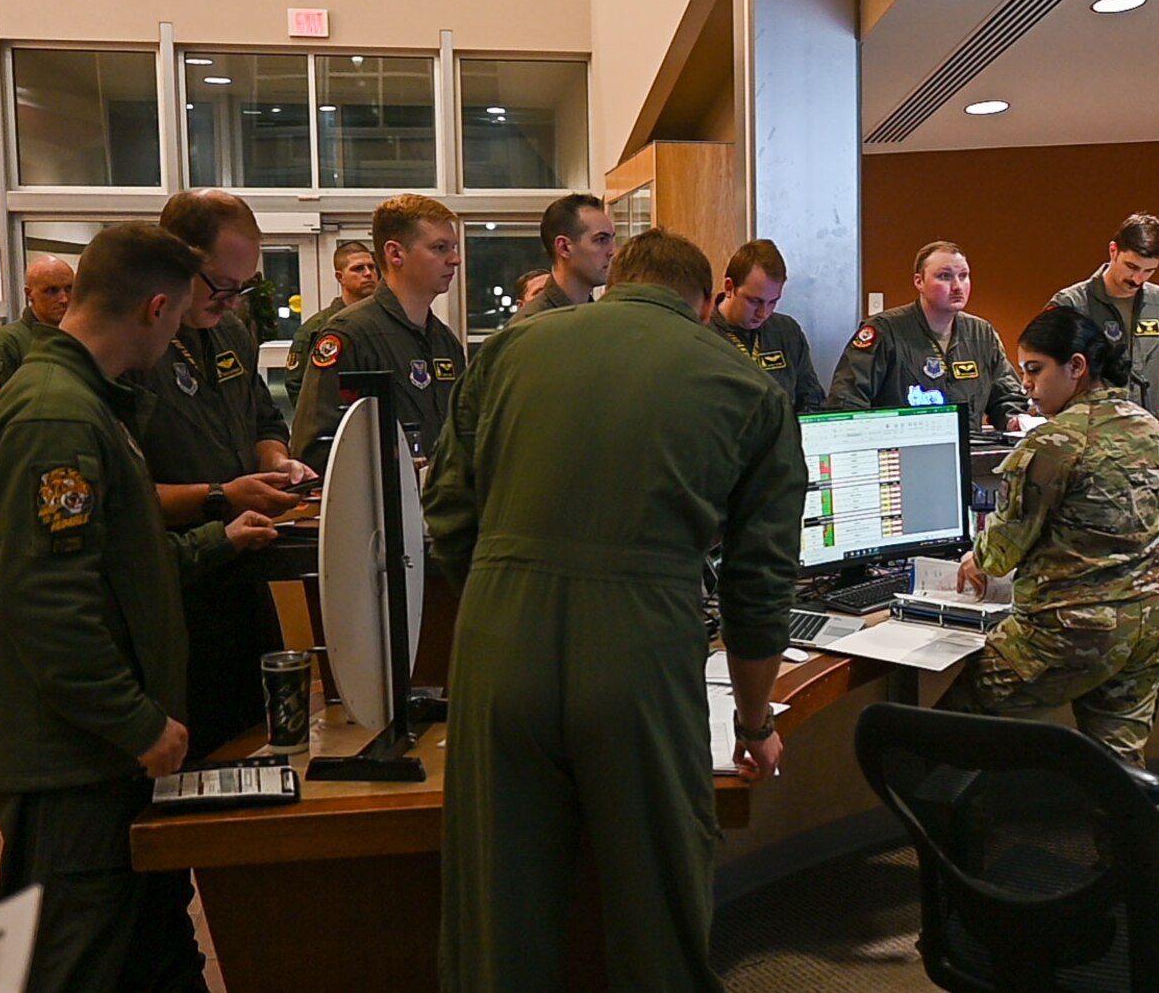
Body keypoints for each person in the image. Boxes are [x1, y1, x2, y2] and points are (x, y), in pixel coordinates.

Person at [424, 228, 802, 991]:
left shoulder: (506, 351)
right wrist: (755, 723)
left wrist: (509, 597)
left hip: (497, 644)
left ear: (615, 280)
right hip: (640, 649)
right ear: (702, 304)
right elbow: (760, 585)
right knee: (657, 911)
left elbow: (446, 509)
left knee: (495, 918)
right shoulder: (747, 386)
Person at [0, 222, 275, 992]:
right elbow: (47, 602)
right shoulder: (58, 415)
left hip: (100, 746)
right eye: (177, 321)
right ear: (157, 307)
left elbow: (123, 564)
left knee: (149, 941)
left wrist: (218, 542)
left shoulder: (91, 403)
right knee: (79, 953)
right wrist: (136, 720)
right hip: (73, 755)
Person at [942, 307, 1159, 767]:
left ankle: (965, 835)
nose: (1026, 384)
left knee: (948, 726)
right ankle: (1134, 840)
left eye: (1035, 370)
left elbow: (1004, 547)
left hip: (1071, 631)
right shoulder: (1146, 425)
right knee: (1118, 764)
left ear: (1076, 366)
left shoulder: (1052, 444)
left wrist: (978, 559)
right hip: (1148, 623)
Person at [129, 189, 316, 757]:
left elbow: (261, 414)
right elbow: (119, 495)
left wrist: (276, 463)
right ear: (178, 262)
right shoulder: (134, 345)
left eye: (246, 288)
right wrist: (219, 496)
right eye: (223, 287)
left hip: (242, 566)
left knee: (250, 734)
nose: (234, 303)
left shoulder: (231, 329)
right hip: (173, 580)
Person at [290, 194, 465, 467]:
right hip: (379, 504)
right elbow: (315, 448)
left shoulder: (444, 340)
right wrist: (395, 467)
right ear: (395, 254)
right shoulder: (351, 334)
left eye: (453, 247)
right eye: (440, 248)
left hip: (437, 504)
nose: (455, 259)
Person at [825, 240, 1027, 433]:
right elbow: (847, 400)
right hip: (901, 452)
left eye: (963, 275)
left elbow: (1007, 396)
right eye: (945, 276)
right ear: (919, 281)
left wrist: (1014, 420)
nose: (957, 286)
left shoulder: (981, 334)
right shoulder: (884, 331)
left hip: (967, 451)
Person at [1048, 212, 1159, 439]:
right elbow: (1047, 375)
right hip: (1087, 440)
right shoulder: (1072, 304)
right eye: (1132, 267)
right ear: (1113, 251)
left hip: (1147, 441)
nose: (1138, 279)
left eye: (1149, 271)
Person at [709, 238, 825, 413]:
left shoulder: (787, 332)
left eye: (773, 302)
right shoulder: (700, 332)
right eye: (755, 301)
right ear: (729, 287)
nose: (763, 313)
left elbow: (811, 398)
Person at [0, 253, 72, 430]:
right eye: (51, 291)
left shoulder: (76, 340)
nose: (64, 299)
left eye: (69, 289)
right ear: (29, 294)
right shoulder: (4, 344)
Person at [284, 240, 378, 407]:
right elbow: (297, 386)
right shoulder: (316, 328)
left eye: (372, 267)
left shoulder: (384, 323)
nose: (368, 273)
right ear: (340, 277)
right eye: (358, 268)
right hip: (334, 422)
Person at [513, 193, 615, 323]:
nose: (612, 251)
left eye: (612, 239)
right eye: (601, 239)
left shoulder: (600, 317)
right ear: (564, 247)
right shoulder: (530, 326)